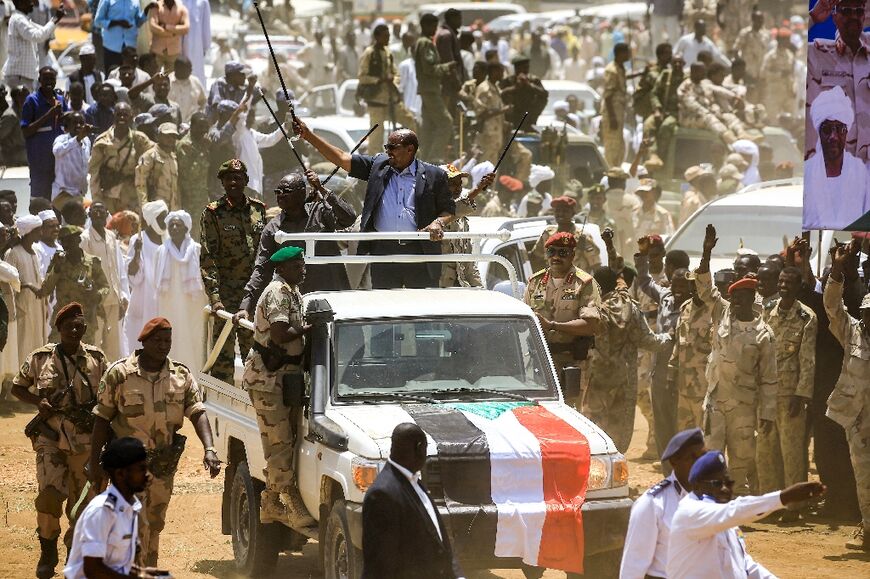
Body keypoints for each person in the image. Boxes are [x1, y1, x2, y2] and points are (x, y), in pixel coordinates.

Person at [90, 317, 221, 566]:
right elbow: (101, 420)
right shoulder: (120, 374)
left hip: (162, 465)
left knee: (154, 522)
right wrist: (94, 463)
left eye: (167, 341)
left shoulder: (180, 375)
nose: (163, 346)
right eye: (158, 341)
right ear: (144, 341)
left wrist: (210, 449)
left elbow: (197, 412)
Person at [292, 118, 455, 289]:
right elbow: (341, 158)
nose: (388, 151)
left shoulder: (434, 175)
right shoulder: (378, 167)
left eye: (393, 147)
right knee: (385, 308)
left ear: (410, 149)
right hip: (383, 252)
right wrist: (308, 136)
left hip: (419, 253)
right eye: (387, 147)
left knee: (420, 309)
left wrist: (438, 223)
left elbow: (449, 210)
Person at [11, 303, 107, 579]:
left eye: (79, 326)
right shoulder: (41, 358)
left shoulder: (97, 359)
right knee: (49, 497)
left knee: (83, 503)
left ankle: (73, 557)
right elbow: (18, 386)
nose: (74, 331)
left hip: (85, 441)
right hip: (51, 438)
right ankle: (47, 549)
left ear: (85, 328)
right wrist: (37, 401)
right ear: (59, 329)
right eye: (69, 327)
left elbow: (110, 394)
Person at [696, 225, 777, 495]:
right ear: (731, 297)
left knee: (742, 462)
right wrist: (707, 251)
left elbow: (768, 378)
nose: (741, 302)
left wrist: (767, 414)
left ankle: (739, 510)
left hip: (744, 406)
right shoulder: (721, 313)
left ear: (753, 298)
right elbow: (704, 287)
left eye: (747, 297)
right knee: (711, 458)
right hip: (716, 401)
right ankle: (712, 505)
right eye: (737, 297)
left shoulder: (764, 333)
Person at [668, 450, 826, 578]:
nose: (724, 489)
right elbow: (737, 509)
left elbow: (744, 565)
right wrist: (784, 497)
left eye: (728, 483)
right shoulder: (690, 512)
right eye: (716, 484)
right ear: (696, 486)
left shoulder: (725, 520)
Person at [242, 245, 314, 525]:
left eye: (303, 264)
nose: (303, 269)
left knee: (285, 442)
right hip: (268, 379)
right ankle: (287, 499)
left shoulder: (291, 291)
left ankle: (270, 500)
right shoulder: (277, 293)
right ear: (282, 268)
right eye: (297, 265)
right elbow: (280, 334)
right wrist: (310, 328)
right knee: (280, 442)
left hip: (286, 378)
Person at [236, 171, 356, 322]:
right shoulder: (273, 228)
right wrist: (245, 306)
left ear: (301, 193)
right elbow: (262, 269)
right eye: (277, 192)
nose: (280, 195)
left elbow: (349, 218)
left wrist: (322, 189)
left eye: (286, 191)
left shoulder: (320, 212)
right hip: (297, 304)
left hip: (332, 297)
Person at [584, 263, 671, 451]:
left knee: (595, 428)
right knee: (620, 431)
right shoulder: (629, 307)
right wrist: (670, 338)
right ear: (616, 284)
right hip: (623, 380)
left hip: (596, 380)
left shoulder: (590, 308)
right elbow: (647, 340)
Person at [362, 422, 464, 579]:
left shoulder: (414, 483)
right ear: (419, 448)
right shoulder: (383, 495)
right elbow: (379, 566)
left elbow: (441, 543)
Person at [754, 266, 816, 522]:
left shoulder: (806, 317)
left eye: (789, 283)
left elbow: (808, 359)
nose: (783, 286)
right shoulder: (766, 311)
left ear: (799, 286)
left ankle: (794, 507)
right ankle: (771, 505)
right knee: (765, 451)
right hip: (766, 395)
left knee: (792, 453)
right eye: (781, 282)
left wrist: (801, 395)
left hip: (790, 395)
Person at [199, 159, 266, 383]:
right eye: (229, 178)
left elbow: (263, 253)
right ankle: (220, 409)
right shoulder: (213, 214)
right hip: (225, 296)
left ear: (246, 180)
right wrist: (215, 298)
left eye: (238, 177)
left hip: (253, 295)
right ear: (222, 182)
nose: (234, 182)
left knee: (255, 354)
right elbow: (208, 258)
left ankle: (254, 403)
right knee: (222, 358)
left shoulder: (258, 210)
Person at [825, 240, 870, 550]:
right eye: (867, 313)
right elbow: (832, 306)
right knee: (864, 478)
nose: (869, 318)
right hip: (857, 418)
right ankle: (868, 530)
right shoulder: (851, 330)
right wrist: (837, 269)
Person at [524, 232, 601, 408]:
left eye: (563, 253)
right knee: (539, 410)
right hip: (539, 362)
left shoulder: (584, 283)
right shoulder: (535, 282)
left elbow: (591, 325)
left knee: (570, 410)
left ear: (573, 255)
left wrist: (552, 325)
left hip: (572, 362)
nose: (556, 257)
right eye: (552, 252)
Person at [620, 428, 707, 579]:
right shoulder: (653, 504)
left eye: (703, 457)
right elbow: (633, 566)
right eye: (692, 458)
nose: (700, 464)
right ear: (674, 462)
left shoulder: (713, 498)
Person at [63, 437, 149, 579]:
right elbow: (91, 568)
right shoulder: (101, 511)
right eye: (140, 469)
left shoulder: (129, 507)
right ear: (120, 474)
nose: (147, 475)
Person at [806, 0, 870, 162]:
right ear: (834, 16)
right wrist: (813, 17)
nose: (853, 16)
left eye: (858, 11)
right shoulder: (818, 54)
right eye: (846, 11)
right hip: (834, 170)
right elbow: (786, 48)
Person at [804, 86, 869, 230]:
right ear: (819, 132)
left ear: (846, 133)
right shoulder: (807, 172)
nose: (833, 137)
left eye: (840, 129)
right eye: (827, 129)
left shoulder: (860, 172)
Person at [38, 226, 109, 344]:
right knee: (56, 357)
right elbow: (46, 290)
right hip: (62, 319)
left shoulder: (92, 262)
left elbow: (105, 286)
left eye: (69, 239)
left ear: (78, 240)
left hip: (84, 319)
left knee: (83, 357)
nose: (65, 244)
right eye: (62, 240)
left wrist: (97, 296)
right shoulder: (58, 262)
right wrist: (56, 268)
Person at [155, 210, 207, 369]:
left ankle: (194, 376)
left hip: (193, 305)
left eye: (178, 225)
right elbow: (157, 282)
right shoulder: (161, 251)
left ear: (186, 228)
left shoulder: (196, 250)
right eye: (171, 225)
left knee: (193, 340)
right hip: (169, 305)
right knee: (172, 338)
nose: (175, 228)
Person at [80, 201, 129, 361]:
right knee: (95, 343)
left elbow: (116, 269)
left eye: (102, 211)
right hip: (96, 300)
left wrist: (121, 297)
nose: (99, 214)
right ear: (89, 214)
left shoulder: (111, 237)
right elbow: (84, 271)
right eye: (95, 211)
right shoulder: (85, 238)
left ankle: (111, 380)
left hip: (113, 299)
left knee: (113, 343)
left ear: (107, 213)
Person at [359, 24, 418, 152]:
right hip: (376, 101)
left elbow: (396, 74)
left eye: (389, 36)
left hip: (391, 98)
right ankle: (374, 166)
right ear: (377, 37)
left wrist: (393, 81)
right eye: (385, 36)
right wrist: (379, 80)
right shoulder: (369, 53)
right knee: (376, 137)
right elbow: (362, 77)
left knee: (410, 120)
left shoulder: (388, 52)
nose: (388, 38)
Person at [89, 101, 154, 213]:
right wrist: (97, 201)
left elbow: (154, 155)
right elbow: (94, 173)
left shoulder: (140, 140)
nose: (122, 118)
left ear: (131, 117)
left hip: (132, 197)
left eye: (125, 115)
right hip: (109, 198)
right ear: (113, 116)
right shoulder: (102, 142)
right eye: (119, 114)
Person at [668, 271, 713, 430]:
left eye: (698, 284)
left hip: (704, 386)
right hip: (684, 385)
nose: (695, 288)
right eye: (692, 285)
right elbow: (679, 344)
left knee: (705, 433)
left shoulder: (715, 310)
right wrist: (671, 371)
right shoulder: (685, 308)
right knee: (685, 433)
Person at [439, 164, 493, 288]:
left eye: (459, 184)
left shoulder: (462, 220)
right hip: (438, 289)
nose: (457, 188)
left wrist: (479, 289)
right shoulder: (431, 211)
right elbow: (453, 210)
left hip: (461, 288)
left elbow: (469, 263)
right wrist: (478, 188)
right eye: (452, 184)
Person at [124, 200, 166, 353]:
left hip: (163, 298)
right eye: (161, 218)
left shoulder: (168, 239)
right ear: (152, 219)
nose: (164, 222)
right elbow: (133, 277)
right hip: (143, 298)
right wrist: (136, 252)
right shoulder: (139, 240)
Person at [6, 215, 48, 363]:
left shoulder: (35, 252)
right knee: (23, 344)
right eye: (38, 231)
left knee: (37, 343)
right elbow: (8, 282)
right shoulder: (13, 253)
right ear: (29, 232)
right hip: (22, 307)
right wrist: (28, 286)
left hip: (37, 307)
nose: (41, 233)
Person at [415, 13, 457, 163]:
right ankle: (434, 156)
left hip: (429, 90)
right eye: (433, 26)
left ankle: (423, 159)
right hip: (430, 90)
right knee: (446, 122)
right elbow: (429, 69)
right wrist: (447, 67)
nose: (435, 29)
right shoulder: (425, 43)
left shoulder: (423, 42)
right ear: (425, 25)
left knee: (428, 127)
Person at [21, 67, 68, 200]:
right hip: (39, 160)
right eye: (45, 78)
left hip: (59, 161)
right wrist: (49, 114)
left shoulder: (60, 99)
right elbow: (25, 132)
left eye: (52, 78)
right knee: (40, 199)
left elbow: (67, 125)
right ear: (39, 80)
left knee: (58, 198)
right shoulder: (32, 101)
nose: (49, 81)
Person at [677, 63, 747, 146]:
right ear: (694, 72)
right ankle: (732, 141)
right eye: (701, 72)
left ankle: (742, 134)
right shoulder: (685, 87)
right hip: (689, 117)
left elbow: (711, 102)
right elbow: (694, 106)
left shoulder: (703, 85)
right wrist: (710, 113)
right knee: (709, 118)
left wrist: (717, 111)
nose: (704, 74)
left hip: (705, 115)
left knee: (728, 116)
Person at [530, 196, 601, 273]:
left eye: (565, 211)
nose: (560, 214)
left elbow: (596, 266)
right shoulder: (547, 234)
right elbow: (535, 258)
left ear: (573, 213)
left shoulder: (582, 237)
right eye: (558, 211)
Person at [2, 0, 62, 90]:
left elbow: (44, 31)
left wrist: (56, 19)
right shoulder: (19, 19)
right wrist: (56, 18)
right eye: (29, 1)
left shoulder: (23, 19)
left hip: (22, 76)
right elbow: (38, 36)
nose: (32, 4)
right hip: (19, 76)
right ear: (21, 3)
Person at [176, 112, 210, 236]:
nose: (204, 130)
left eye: (206, 127)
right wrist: (200, 151)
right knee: (189, 234)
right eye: (200, 126)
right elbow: (191, 174)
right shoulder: (185, 146)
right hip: (189, 200)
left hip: (201, 198)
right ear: (192, 126)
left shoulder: (203, 143)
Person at [93, 0, 152, 72]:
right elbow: (98, 21)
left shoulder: (135, 1)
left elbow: (138, 23)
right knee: (112, 74)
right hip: (112, 46)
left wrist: (146, 10)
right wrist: (117, 23)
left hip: (130, 46)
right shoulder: (107, 1)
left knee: (130, 74)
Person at [51, 112, 92, 209]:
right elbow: (56, 151)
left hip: (80, 193)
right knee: (75, 213)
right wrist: (77, 139)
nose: (78, 125)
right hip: (63, 193)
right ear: (68, 126)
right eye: (75, 123)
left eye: (81, 123)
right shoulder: (61, 139)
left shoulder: (86, 141)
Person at [135, 121, 179, 208]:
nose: (171, 139)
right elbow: (141, 185)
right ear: (158, 136)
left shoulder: (173, 158)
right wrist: (144, 206)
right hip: (155, 208)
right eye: (167, 135)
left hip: (172, 208)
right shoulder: (149, 156)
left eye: (173, 136)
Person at [473, 61, 509, 164]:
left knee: (492, 168)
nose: (502, 75)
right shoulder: (484, 89)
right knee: (485, 166)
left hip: (496, 135)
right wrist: (503, 110)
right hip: (487, 135)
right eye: (501, 72)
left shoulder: (496, 88)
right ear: (494, 72)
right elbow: (481, 112)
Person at [601, 43, 630, 167]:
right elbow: (607, 96)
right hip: (612, 113)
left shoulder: (620, 68)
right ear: (620, 53)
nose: (629, 55)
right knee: (612, 146)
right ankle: (610, 172)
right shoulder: (612, 70)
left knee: (619, 146)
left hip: (619, 112)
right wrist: (612, 117)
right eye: (627, 52)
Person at [499, 54, 549, 127]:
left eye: (527, 67)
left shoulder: (533, 80)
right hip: (511, 116)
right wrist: (514, 88)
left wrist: (529, 85)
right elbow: (500, 94)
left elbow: (545, 94)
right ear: (517, 69)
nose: (526, 70)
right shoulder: (508, 81)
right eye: (523, 68)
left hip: (528, 115)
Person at [732, 8, 769, 99]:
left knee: (760, 97)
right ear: (753, 20)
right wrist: (740, 68)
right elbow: (736, 49)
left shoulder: (765, 35)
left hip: (761, 72)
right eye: (758, 19)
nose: (760, 22)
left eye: (761, 19)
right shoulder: (745, 33)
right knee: (748, 95)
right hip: (748, 71)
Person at [434, 8, 465, 117]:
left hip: (448, 84)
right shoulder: (446, 35)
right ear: (452, 19)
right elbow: (449, 62)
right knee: (446, 116)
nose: (461, 21)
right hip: (447, 85)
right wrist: (457, 83)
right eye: (459, 18)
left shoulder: (448, 33)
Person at [760, 29, 795, 117]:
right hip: (773, 94)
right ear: (779, 40)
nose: (787, 42)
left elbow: (792, 75)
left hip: (787, 94)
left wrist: (793, 89)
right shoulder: (771, 56)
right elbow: (763, 74)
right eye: (785, 39)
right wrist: (779, 75)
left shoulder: (790, 55)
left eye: (788, 39)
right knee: (773, 121)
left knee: (789, 121)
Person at [148, 0, 189, 73]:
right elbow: (153, 27)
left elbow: (186, 28)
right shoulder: (156, 7)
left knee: (171, 79)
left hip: (174, 51)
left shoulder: (181, 8)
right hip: (157, 50)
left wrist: (166, 26)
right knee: (153, 77)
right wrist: (172, 34)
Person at [168, 55, 205, 123]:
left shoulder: (195, 82)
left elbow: (203, 102)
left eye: (191, 68)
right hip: (171, 125)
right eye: (188, 68)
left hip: (191, 126)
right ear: (176, 68)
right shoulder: (167, 82)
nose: (191, 71)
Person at [180, 0, 210, 85]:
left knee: (196, 69)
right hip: (179, 41)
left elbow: (206, 25)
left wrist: (205, 45)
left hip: (197, 42)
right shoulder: (178, 1)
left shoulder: (203, 2)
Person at [66, 43, 103, 107]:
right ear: (81, 59)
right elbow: (68, 97)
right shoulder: (72, 78)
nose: (91, 61)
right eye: (88, 58)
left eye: (93, 58)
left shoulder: (100, 75)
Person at [0, 83, 27, 166]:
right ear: (16, 97)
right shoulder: (10, 116)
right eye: (24, 95)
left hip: (23, 156)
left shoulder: (23, 112)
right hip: (13, 159)